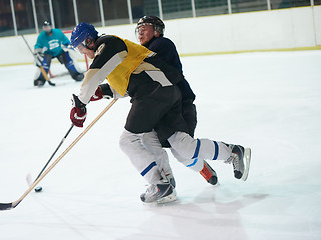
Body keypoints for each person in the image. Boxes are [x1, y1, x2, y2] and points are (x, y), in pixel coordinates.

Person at [68, 22, 251, 204]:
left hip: (152, 93)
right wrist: (103, 92)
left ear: (89, 41)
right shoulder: (113, 51)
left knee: (128, 140)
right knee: (169, 143)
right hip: (163, 92)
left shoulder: (108, 44)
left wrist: (80, 104)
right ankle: (229, 154)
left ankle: (160, 184)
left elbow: (95, 73)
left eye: (80, 47)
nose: (82, 52)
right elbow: (125, 85)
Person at [134, 16, 218, 187]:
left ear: (157, 31)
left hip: (181, 105)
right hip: (164, 108)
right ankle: (167, 180)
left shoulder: (162, 44)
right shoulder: (145, 51)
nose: (141, 31)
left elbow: (147, 67)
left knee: (182, 151)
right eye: (139, 28)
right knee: (166, 147)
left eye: (145, 27)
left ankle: (219, 158)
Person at [33, 21, 84, 86]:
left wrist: (68, 45)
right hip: (48, 53)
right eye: (45, 27)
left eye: (47, 27)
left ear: (50, 26)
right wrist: (37, 52)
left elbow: (65, 40)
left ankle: (77, 75)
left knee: (69, 61)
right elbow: (38, 45)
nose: (46, 28)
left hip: (59, 51)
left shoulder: (58, 32)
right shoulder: (41, 36)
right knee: (43, 64)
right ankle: (39, 80)